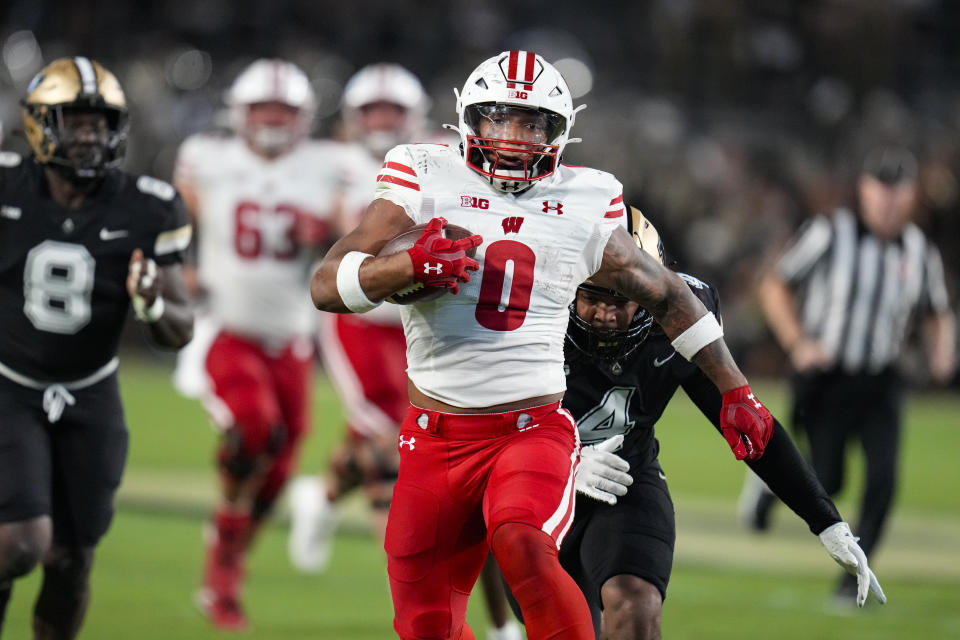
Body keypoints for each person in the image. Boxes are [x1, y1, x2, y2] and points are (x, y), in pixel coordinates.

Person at [309, 50, 779, 640]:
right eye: (501, 118)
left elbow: (666, 293)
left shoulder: (587, 197)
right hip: (433, 435)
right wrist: (408, 264)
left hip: (529, 429)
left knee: (523, 542)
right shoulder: (422, 174)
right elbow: (327, 284)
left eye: (533, 123)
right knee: (424, 622)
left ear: (559, 132)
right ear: (469, 120)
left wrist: (736, 389)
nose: (514, 137)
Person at [526, 209, 884, 639]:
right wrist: (563, 460)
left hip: (627, 479)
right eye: (592, 296)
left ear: (651, 288)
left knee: (635, 603)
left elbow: (743, 420)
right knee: (568, 628)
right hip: (536, 486)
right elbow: (485, 423)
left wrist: (826, 521)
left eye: (620, 298)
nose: (605, 313)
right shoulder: (530, 316)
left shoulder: (678, 319)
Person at [287, 61, 523, 640]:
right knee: (404, 455)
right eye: (373, 112)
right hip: (362, 322)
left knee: (410, 449)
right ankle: (465, 612)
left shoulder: (445, 156)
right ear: (353, 117)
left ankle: (319, 496)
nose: (384, 121)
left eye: (393, 111)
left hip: (427, 323)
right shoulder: (337, 165)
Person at [0, 57, 194, 638]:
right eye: (75, 120)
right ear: (39, 124)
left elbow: (181, 326)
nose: (88, 134)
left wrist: (153, 302)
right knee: (19, 543)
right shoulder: (7, 186)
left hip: (91, 393)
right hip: (11, 385)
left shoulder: (150, 204)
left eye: (99, 122)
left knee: (71, 558)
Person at [739, 146, 955, 605]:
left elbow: (938, 311)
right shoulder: (830, 232)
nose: (887, 201)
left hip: (881, 380)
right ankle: (769, 485)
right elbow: (775, 283)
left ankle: (850, 586)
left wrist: (942, 353)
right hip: (827, 375)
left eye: (897, 191)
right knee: (828, 478)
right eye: (880, 189)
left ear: (910, 196)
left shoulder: (919, 249)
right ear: (864, 190)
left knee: (883, 480)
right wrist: (798, 342)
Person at [171, 58, 345, 631]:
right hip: (228, 327)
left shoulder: (327, 165)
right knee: (254, 426)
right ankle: (220, 564)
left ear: (303, 117)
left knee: (278, 469)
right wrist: (179, 268)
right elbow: (169, 218)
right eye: (263, 108)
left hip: (293, 340)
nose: (273, 119)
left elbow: (357, 228)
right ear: (240, 114)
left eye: (284, 110)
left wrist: (322, 231)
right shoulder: (209, 159)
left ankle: (229, 559)